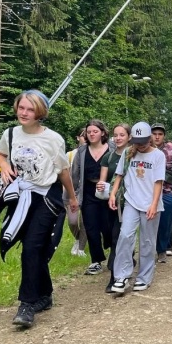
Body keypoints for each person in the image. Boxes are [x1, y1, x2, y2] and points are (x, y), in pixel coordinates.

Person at [0, 90, 78, 328]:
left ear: (40, 112)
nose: (24, 113)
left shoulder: (53, 139)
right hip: (21, 198)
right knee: (35, 249)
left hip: (46, 197)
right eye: (21, 107)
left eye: (30, 109)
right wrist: (4, 166)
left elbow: (63, 171)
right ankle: (45, 295)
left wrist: (72, 197)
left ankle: (27, 304)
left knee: (31, 247)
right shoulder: (10, 134)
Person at [108, 122, 165, 294]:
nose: (140, 145)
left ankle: (144, 277)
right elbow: (119, 174)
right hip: (131, 201)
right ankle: (121, 276)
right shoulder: (128, 152)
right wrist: (113, 194)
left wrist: (154, 204)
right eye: (137, 142)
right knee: (125, 235)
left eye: (143, 142)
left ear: (150, 139)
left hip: (150, 203)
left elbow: (158, 182)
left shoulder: (158, 155)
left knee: (147, 241)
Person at [71, 120, 112, 276]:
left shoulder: (112, 149)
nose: (92, 134)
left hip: (109, 192)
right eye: (89, 132)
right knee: (91, 227)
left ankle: (114, 250)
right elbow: (74, 174)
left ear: (103, 133)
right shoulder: (82, 151)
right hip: (88, 192)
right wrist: (71, 197)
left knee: (107, 226)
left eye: (95, 131)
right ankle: (96, 261)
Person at [98, 123, 131, 293]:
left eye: (122, 135)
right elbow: (103, 181)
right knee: (110, 237)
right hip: (110, 203)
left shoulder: (134, 155)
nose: (118, 138)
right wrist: (101, 186)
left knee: (117, 238)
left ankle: (115, 276)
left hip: (128, 204)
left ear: (129, 137)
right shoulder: (108, 157)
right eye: (115, 135)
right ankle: (127, 259)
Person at [152, 124, 172, 263]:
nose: (157, 137)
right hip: (147, 192)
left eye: (160, 134)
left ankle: (162, 250)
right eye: (154, 134)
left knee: (165, 223)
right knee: (148, 223)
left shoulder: (171, 150)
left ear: (164, 136)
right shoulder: (143, 148)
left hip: (166, 191)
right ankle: (148, 250)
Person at [66, 129, 88, 256]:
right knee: (72, 221)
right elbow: (65, 174)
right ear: (78, 138)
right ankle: (78, 238)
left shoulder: (92, 152)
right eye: (83, 136)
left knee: (85, 221)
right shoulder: (70, 154)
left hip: (87, 191)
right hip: (73, 191)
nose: (86, 138)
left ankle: (80, 247)